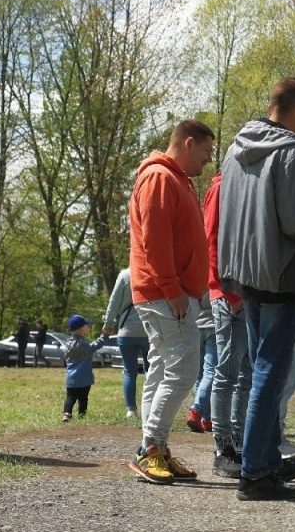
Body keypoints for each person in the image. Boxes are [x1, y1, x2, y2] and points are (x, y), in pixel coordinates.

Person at [217, 76, 295, 500]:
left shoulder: (235, 149)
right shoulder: (294, 152)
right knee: (269, 374)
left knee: (257, 370)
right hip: (282, 275)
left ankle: (260, 461)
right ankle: (256, 472)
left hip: (247, 274)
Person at [126, 119, 214, 484]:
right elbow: (155, 240)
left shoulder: (174, 179)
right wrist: (173, 289)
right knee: (181, 372)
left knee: (163, 371)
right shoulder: (160, 178)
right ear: (189, 143)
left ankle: (157, 448)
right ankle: (149, 449)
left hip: (167, 294)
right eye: (207, 152)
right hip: (166, 295)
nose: (208, 161)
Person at [204, 168, 248, 478]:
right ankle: (223, 446)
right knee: (227, 372)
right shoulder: (221, 188)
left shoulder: (248, 187)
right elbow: (210, 242)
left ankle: (242, 441)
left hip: (250, 295)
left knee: (246, 373)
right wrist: (230, 295)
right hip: (229, 295)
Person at [101, 269, 148, 418]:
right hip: (149, 330)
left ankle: (131, 410)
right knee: (151, 370)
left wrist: (108, 323)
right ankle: (150, 406)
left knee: (129, 371)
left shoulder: (124, 275)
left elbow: (114, 302)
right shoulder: (150, 272)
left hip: (126, 331)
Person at [61, 314, 109, 421]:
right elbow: (97, 345)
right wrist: (105, 335)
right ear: (81, 329)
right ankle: (82, 416)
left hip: (71, 378)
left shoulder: (67, 344)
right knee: (83, 398)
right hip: (84, 379)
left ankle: (67, 413)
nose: (89, 328)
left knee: (70, 397)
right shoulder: (86, 344)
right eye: (87, 326)